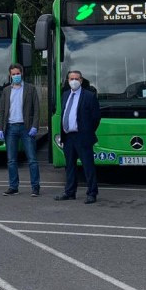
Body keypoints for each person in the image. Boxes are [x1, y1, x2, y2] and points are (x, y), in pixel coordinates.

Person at [55, 69, 101, 204]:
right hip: (68, 137)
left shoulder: (89, 96)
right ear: (68, 81)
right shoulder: (65, 95)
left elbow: (96, 117)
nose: (73, 81)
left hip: (83, 137)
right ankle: (70, 192)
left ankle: (92, 193)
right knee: (69, 166)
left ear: (81, 80)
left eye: (76, 78)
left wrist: (87, 131)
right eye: (71, 79)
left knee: (88, 166)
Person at [0, 63, 40, 196]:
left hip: (26, 128)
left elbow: (37, 109)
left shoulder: (30, 89)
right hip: (10, 128)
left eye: (17, 73)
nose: (16, 76)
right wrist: (0, 128)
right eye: (13, 74)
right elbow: (2, 110)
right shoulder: (6, 90)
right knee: (11, 160)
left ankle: (35, 187)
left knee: (32, 159)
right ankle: (13, 186)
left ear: (22, 73)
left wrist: (34, 126)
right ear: (10, 75)